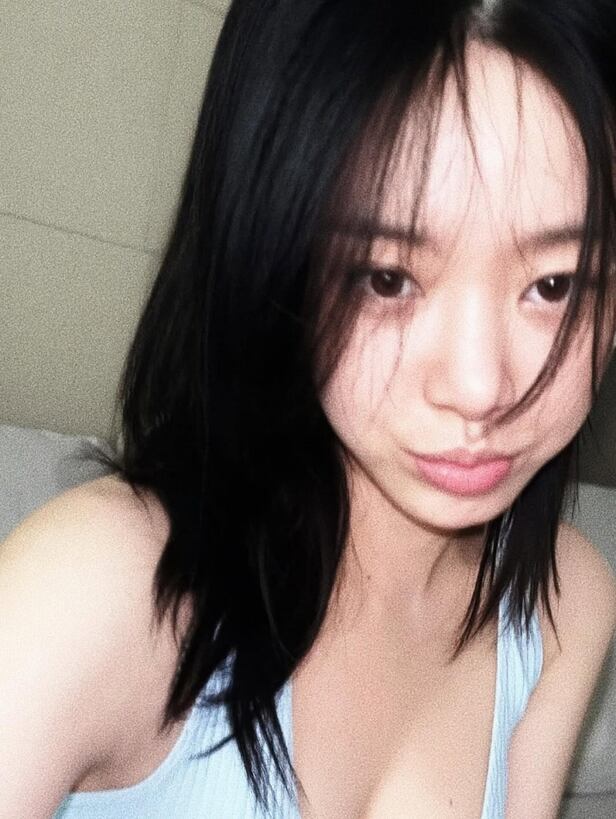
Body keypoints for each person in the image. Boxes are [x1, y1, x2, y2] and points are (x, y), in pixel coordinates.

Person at [2, 0, 616, 816]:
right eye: (387, 278)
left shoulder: (567, 603)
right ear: (272, 254)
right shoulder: (94, 593)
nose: (479, 387)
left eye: (555, 284)